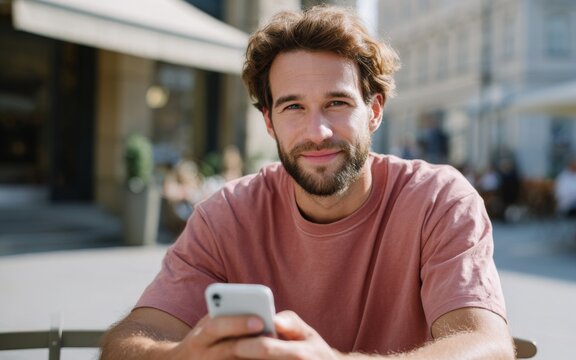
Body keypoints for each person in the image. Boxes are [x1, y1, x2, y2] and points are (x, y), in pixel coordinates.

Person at [100, 6, 513, 359]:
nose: (317, 132)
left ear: (374, 111)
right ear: (269, 122)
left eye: (337, 103)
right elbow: (126, 342)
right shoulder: (226, 215)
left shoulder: (438, 200)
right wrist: (183, 354)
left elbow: (487, 345)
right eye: (293, 106)